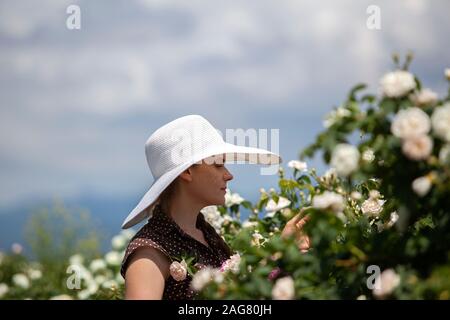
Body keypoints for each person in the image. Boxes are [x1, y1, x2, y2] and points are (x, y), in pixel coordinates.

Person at [120, 115, 310, 300]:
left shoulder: (205, 234)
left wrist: (283, 250)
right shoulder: (149, 252)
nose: (228, 175)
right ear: (187, 171)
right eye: (218, 165)